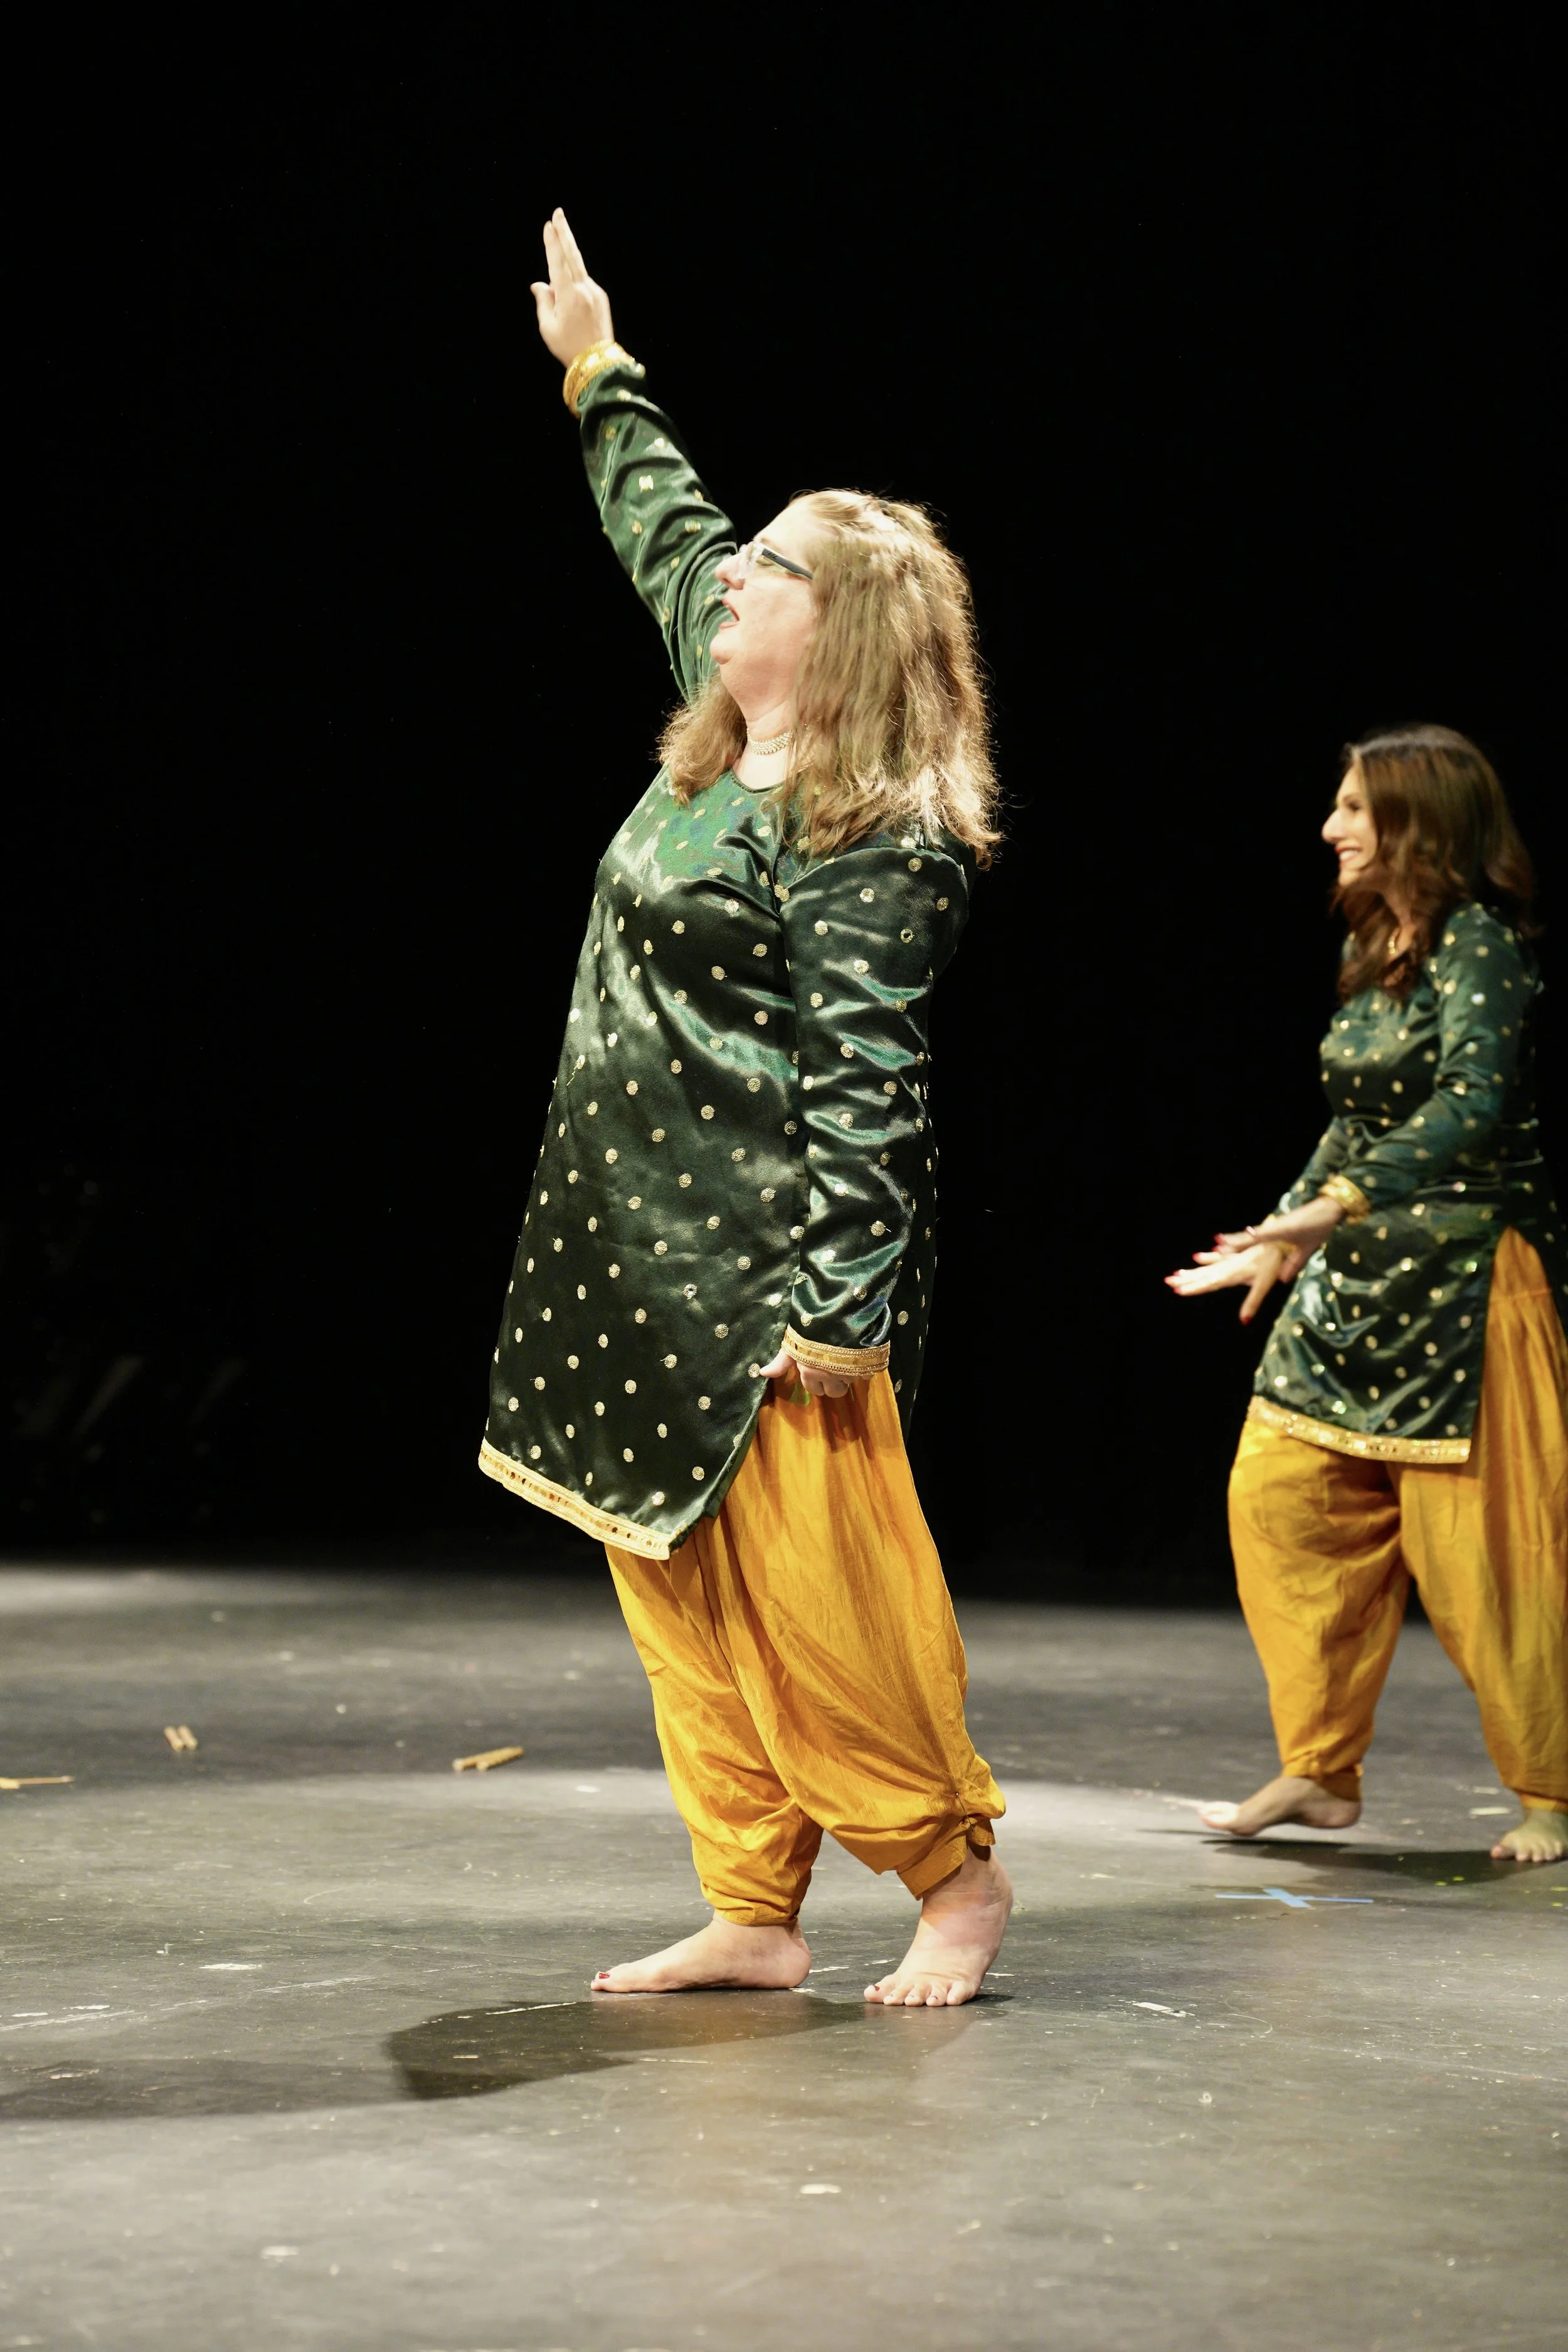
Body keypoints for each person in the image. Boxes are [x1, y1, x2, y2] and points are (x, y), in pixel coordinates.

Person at [479, 211, 1010, 2002]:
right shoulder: (731, 731)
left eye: (769, 566)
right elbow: (667, 531)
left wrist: (838, 1317)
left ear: (839, 619)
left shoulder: (872, 825)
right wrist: (592, 364)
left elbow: (869, 1087)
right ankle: (753, 1906)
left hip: (770, 1269)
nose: (728, 577)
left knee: (818, 1593)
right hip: (634, 1235)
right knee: (673, 1586)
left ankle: (948, 1876)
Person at [1168, 725, 1568, 1864]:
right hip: (1356, 1280)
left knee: (1488, 1558)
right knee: (1282, 1502)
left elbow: (1471, 1107)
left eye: (1354, 806)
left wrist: (1332, 1204)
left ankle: (1552, 1788)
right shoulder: (1382, 946)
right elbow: (1359, 1117)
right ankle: (1319, 1768)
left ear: (1418, 825)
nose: (1333, 826)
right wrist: (1281, 1234)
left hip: (1465, 1281)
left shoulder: (1480, 945)